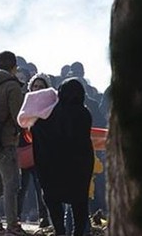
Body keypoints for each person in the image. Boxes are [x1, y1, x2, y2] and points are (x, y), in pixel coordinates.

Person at [26, 78, 94, 236]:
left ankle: (60, 231)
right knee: (80, 202)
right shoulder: (84, 113)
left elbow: (37, 130)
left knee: (53, 199)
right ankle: (78, 232)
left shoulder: (51, 114)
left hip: (53, 168)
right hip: (79, 168)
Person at [0, 51, 26, 236]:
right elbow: (19, 117)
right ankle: (12, 225)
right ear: (14, 66)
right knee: (11, 186)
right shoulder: (12, 86)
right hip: (7, 141)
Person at [17, 75, 51, 228]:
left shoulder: (50, 105)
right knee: (20, 187)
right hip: (23, 150)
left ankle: (44, 217)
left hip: (41, 151)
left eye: (41, 86)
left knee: (40, 187)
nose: (37, 89)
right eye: (35, 86)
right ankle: (15, 217)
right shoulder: (25, 102)